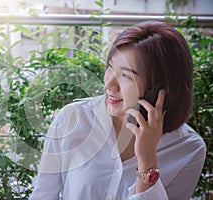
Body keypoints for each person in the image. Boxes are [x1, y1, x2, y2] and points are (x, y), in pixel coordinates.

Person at [29, 21, 206, 200]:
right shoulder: (73, 119)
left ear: (160, 89)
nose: (110, 83)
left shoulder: (189, 149)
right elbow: (42, 195)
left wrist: (147, 162)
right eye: (110, 68)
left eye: (126, 76)